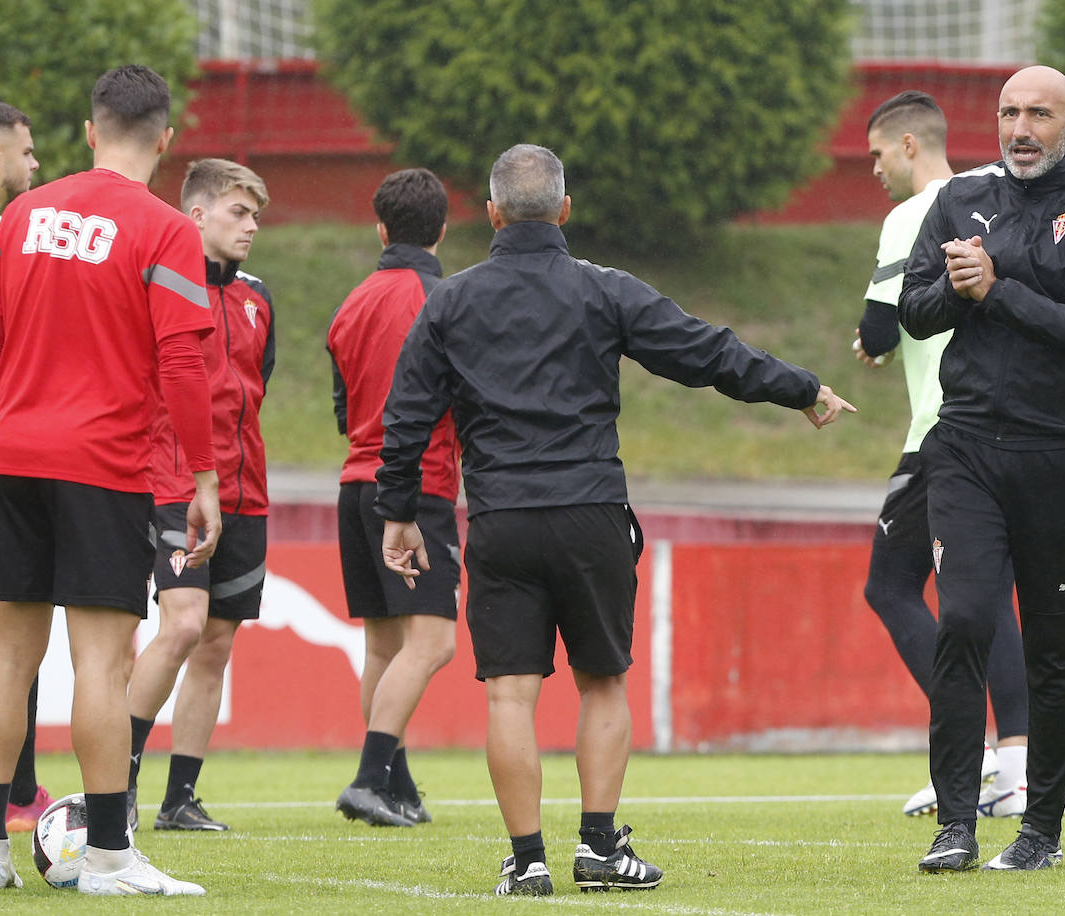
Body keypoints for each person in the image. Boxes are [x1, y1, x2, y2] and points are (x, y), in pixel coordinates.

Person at [377, 144, 854, 895]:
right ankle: (600, 849)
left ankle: (527, 860)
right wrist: (799, 388)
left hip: (500, 517)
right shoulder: (605, 291)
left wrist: (398, 513)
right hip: (590, 513)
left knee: (509, 694)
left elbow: (404, 420)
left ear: (493, 214)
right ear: (565, 211)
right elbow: (705, 353)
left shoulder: (451, 301)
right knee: (602, 683)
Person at [0, 64, 219, 896]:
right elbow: (184, 362)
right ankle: (109, 854)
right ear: (167, 139)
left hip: (12, 459)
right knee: (102, 663)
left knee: (6, 658)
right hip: (103, 467)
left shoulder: (24, 215)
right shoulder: (163, 229)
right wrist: (205, 475)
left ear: (87, 131)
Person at [898, 65, 1065, 872]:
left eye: (1039, 113)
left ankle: (1039, 833)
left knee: (1050, 641)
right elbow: (916, 309)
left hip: (1061, 453)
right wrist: (960, 290)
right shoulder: (961, 198)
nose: (1020, 128)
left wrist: (995, 289)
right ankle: (956, 825)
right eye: (1008, 112)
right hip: (964, 444)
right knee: (963, 617)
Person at [854, 90, 1029, 820]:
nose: (872, 171)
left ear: (909, 147)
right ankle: (1017, 770)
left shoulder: (913, 214)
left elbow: (880, 326)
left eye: (876, 155)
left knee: (889, 588)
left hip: (938, 435)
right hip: (1013, 431)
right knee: (988, 598)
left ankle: (972, 754)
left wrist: (870, 338)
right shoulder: (995, 200)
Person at [126, 158, 274, 833]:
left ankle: (178, 799)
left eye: (255, 216)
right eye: (238, 213)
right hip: (173, 483)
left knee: (215, 643)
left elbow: (255, 387)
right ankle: (117, 783)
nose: (251, 227)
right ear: (196, 214)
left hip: (247, 493)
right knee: (182, 624)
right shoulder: (156, 286)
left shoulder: (258, 298)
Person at [328, 168, 460, 827]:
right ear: (442, 228)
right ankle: (370, 778)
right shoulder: (442, 298)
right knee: (434, 642)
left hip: (355, 483)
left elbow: (340, 405)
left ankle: (397, 788)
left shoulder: (351, 302)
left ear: (381, 228)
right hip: (416, 488)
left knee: (383, 647)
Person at [0, 99, 53, 835]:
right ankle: (17, 794)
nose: (36, 167)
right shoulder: (2, 236)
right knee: (18, 630)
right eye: (28, 153)